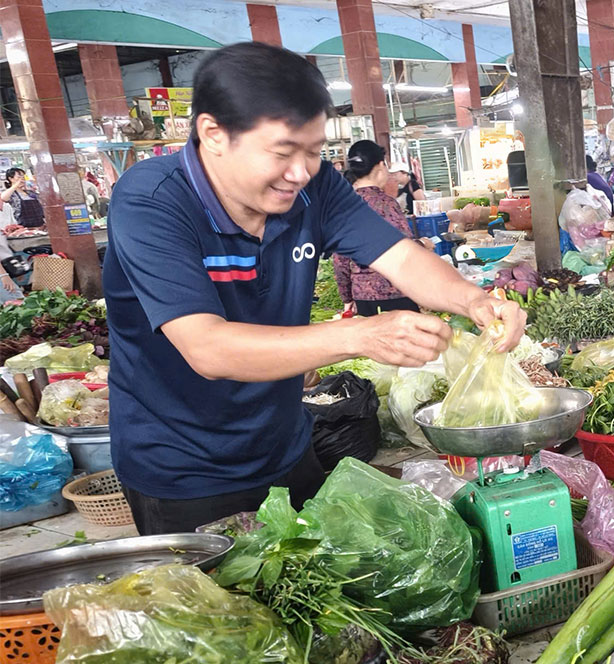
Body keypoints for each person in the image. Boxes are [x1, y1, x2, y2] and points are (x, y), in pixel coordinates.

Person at [102, 42, 525, 535]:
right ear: (213, 134)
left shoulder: (315, 186)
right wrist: (362, 335)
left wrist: (472, 298)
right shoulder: (152, 203)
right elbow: (208, 348)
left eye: (314, 151)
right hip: (186, 468)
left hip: (287, 445)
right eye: (283, 152)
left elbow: (402, 257)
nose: (301, 172)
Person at [332, 140, 423, 317]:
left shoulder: (342, 207)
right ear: (381, 165)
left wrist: (347, 298)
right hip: (396, 292)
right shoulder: (386, 204)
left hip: (363, 297)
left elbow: (340, 260)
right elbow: (406, 250)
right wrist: (424, 245)